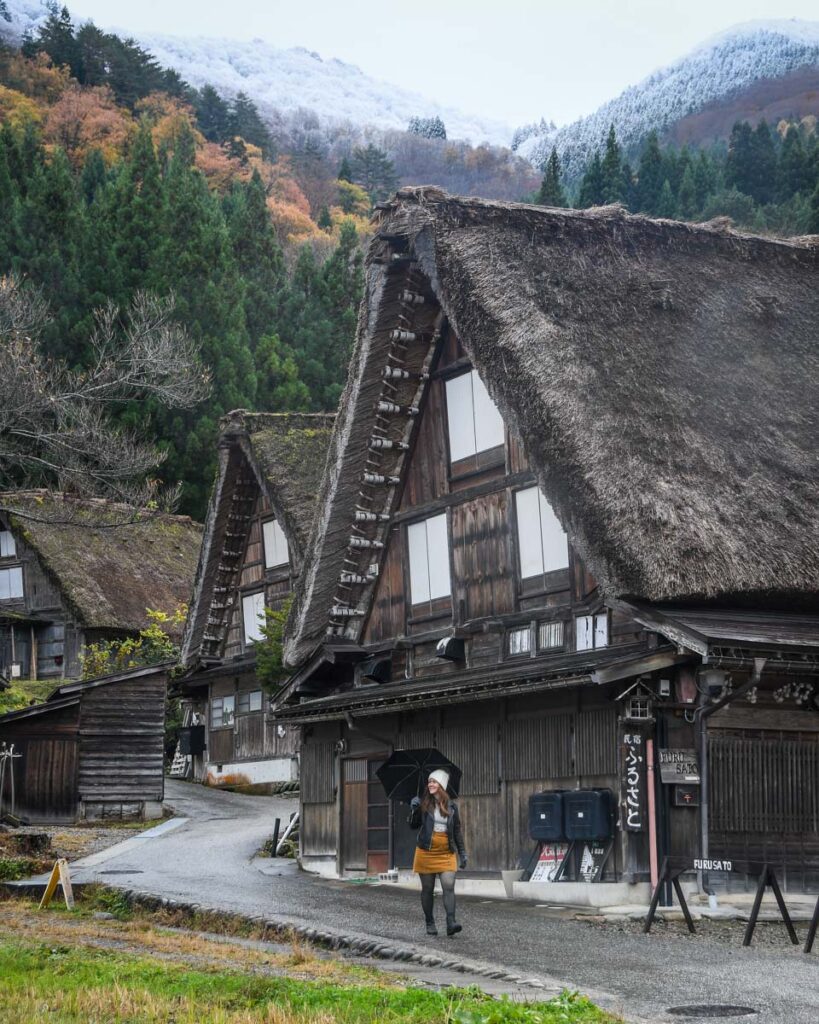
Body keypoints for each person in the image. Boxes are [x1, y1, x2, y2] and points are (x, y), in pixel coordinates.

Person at [409, 768, 467, 936]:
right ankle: (430, 922)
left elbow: (456, 832)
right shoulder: (423, 804)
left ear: (441, 784)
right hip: (425, 851)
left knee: (448, 886)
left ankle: (451, 922)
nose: (430, 784)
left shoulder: (452, 807)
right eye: (429, 781)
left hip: (446, 851)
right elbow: (413, 826)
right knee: (427, 889)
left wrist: (462, 853)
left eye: (434, 781)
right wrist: (414, 810)